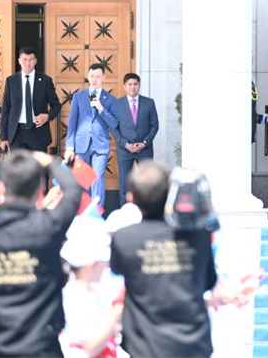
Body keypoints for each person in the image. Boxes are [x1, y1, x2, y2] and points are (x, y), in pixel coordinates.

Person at [109, 161, 216, 358]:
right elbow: (209, 282)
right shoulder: (199, 236)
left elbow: (117, 270)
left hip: (144, 345)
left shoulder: (124, 238)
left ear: (130, 197)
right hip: (192, 344)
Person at [0, 151, 82, 357]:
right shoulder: (48, 226)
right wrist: (50, 161)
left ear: (1, 187)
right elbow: (73, 190)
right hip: (41, 346)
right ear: (40, 189)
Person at [59, 217, 123, 358]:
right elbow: (90, 346)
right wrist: (113, 320)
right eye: (102, 263)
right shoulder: (75, 297)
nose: (105, 266)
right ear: (90, 265)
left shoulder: (88, 291)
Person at [65, 63, 119, 208]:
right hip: (81, 144)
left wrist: (101, 109)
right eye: (92, 76)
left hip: (100, 145)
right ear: (88, 77)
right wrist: (69, 147)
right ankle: (81, 211)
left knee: (98, 177)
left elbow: (114, 123)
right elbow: (72, 122)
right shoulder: (78, 96)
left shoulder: (111, 99)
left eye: (98, 76)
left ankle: (97, 212)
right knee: (82, 179)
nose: (94, 79)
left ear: (104, 78)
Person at [109, 72, 159, 207]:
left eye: (135, 84)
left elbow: (154, 125)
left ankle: (147, 212)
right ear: (125, 86)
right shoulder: (117, 104)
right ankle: (126, 213)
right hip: (125, 150)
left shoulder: (149, 103)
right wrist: (125, 144)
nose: (133, 87)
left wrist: (144, 143)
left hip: (145, 149)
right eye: (130, 84)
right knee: (125, 184)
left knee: (148, 182)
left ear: (139, 86)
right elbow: (113, 127)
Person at [0, 46, 61, 153]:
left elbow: (56, 105)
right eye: (24, 59)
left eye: (31, 59)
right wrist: (4, 137)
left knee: (37, 169)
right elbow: (5, 109)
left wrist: (47, 116)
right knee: (18, 169)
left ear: (35, 61)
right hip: (16, 133)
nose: (28, 63)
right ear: (19, 61)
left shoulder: (45, 81)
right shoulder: (11, 81)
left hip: (37, 133)